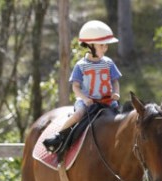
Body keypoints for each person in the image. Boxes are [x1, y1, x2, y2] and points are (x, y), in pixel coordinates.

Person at [43, 20, 122, 153]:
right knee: (78, 115)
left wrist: (117, 93)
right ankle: (59, 136)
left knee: (121, 119)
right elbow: (75, 87)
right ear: (90, 45)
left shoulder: (109, 63)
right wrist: (84, 99)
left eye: (106, 45)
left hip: (107, 101)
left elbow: (115, 81)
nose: (105, 48)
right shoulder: (81, 65)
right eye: (102, 45)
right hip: (88, 102)